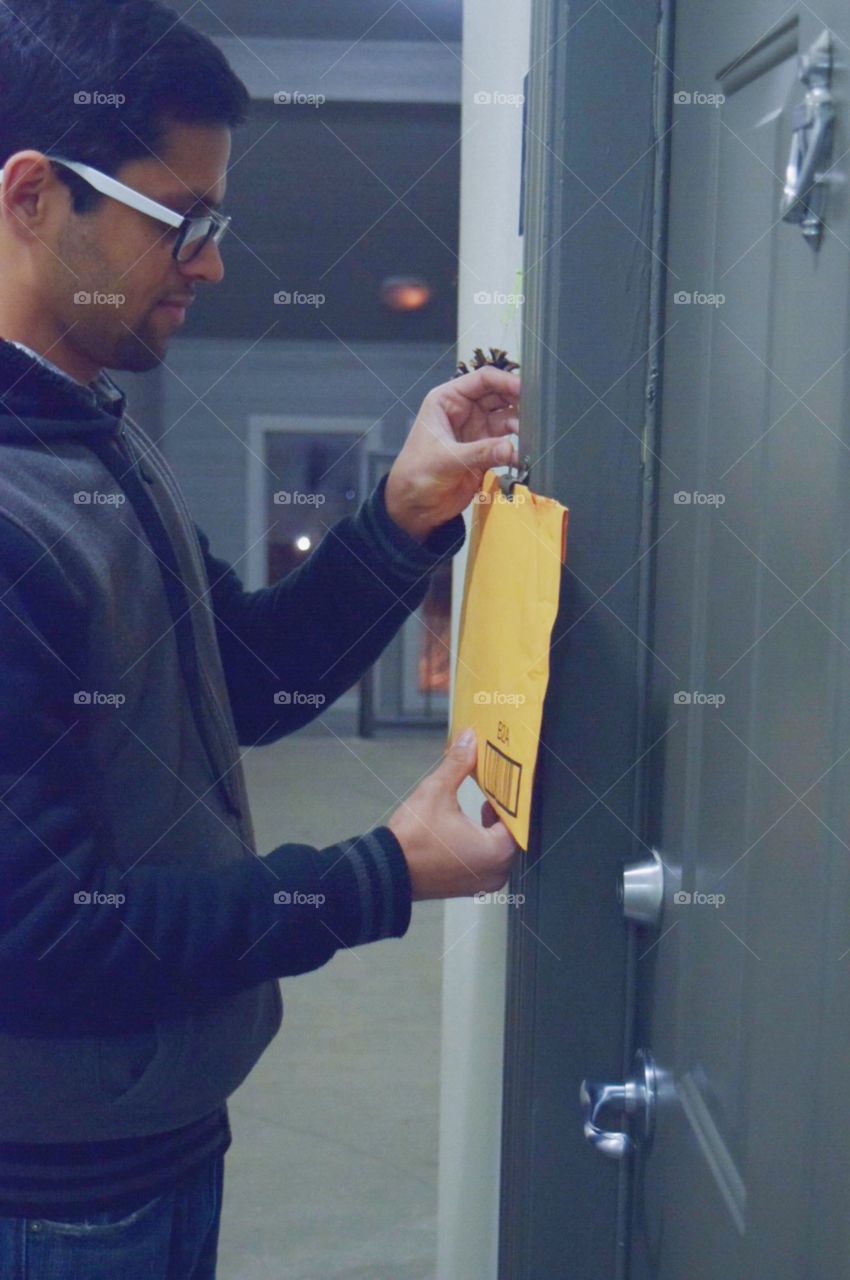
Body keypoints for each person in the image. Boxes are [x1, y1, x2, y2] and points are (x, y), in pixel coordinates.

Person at [0, 2, 521, 1276]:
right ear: (29, 197)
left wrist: (403, 518)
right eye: (184, 222)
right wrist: (375, 872)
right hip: (58, 1193)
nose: (213, 263)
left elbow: (247, 676)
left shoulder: (95, 437)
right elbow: (42, 935)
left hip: (154, 1137)